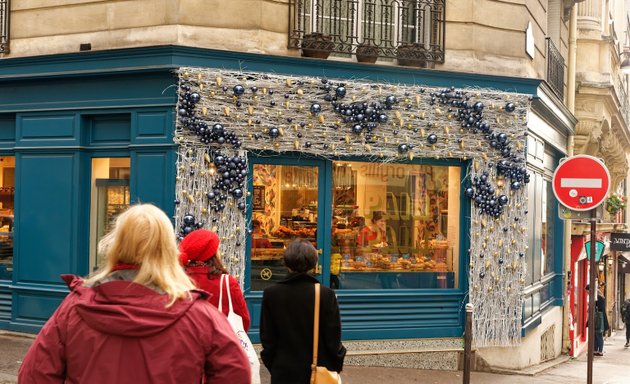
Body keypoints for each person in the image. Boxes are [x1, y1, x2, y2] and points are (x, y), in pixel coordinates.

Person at [18, 203, 250, 383]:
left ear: (115, 245)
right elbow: (236, 372)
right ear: (168, 250)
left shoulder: (74, 309)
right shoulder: (199, 315)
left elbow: (34, 375)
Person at [260, 239, 346, 384]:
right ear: (313, 264)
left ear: (286, 263)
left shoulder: (271, 293)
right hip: (316, 372)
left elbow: (267, 338)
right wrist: (336, 364)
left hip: (283, 372)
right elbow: (333, 338)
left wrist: (274, 366)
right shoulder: (325, 294)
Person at [180, 228, 251, 331]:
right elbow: (243, 320)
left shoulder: (176, 280)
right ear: (211, 254)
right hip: (218, 342)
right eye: (217, 248)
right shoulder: (226, 283)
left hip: (184, 342)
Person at [586, 284, 609, 356]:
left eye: (587, 292)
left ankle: (600, 350)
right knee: (595, 334)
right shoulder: (596, 297)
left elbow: (600, 309)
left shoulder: (599, 298)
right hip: (597, 318)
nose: (587, 293)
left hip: (599, 319)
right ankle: (595, 350)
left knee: (598, 334)